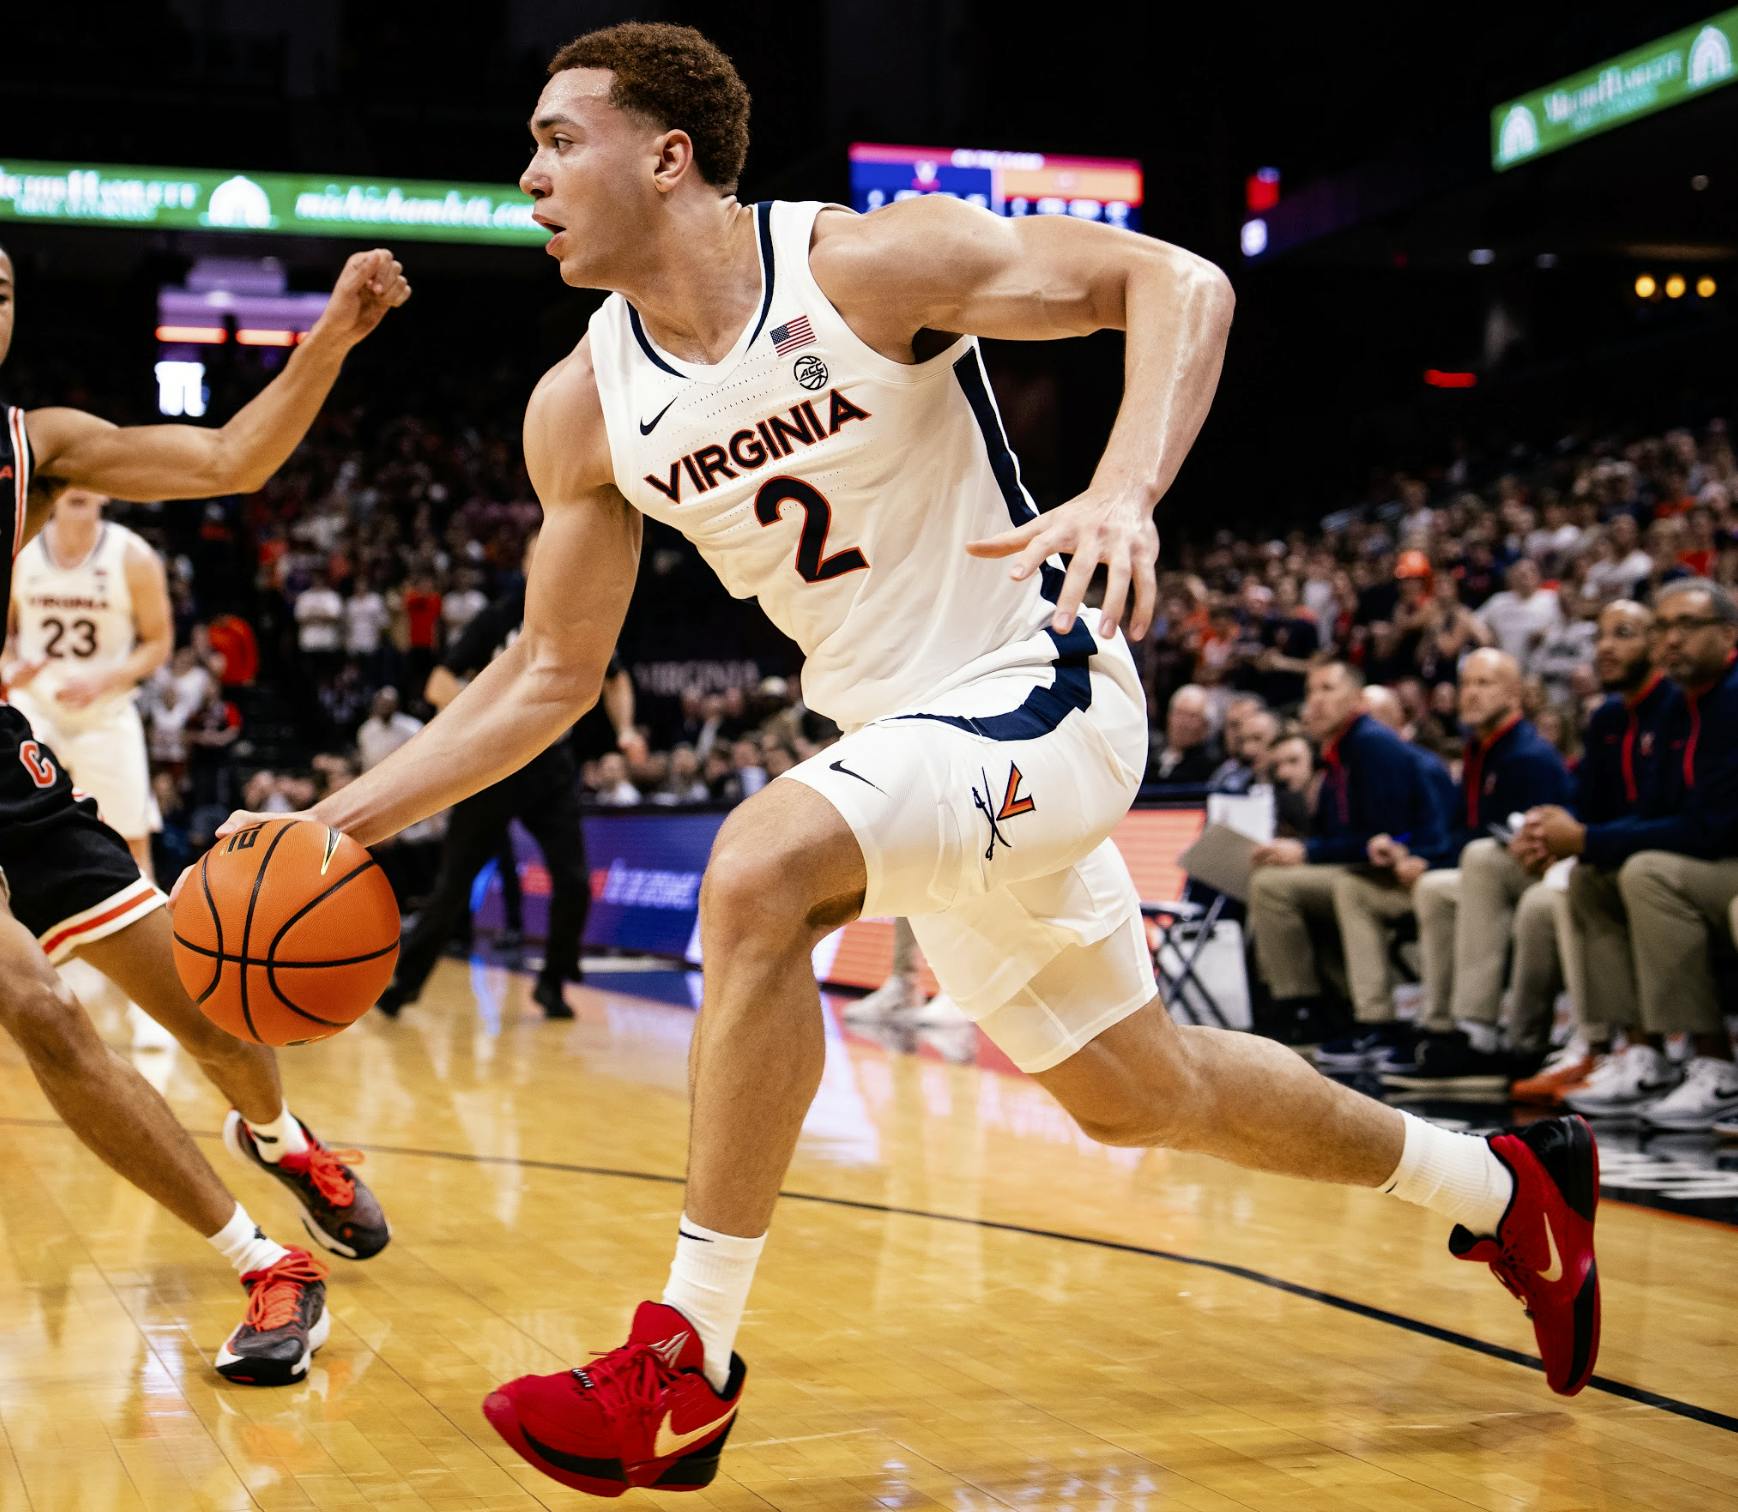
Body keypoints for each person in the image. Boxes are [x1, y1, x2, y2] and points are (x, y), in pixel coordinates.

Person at [204, 25, 1601, 1494]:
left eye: (561, 140)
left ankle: (687, 1364)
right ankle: (1503, 1185)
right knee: (1140, 1092)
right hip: (908, 755)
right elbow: (551, 674)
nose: (529, 174)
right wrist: (336, 823)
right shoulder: (581, 406)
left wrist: (1121, 493)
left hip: (1036, 688)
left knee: (756, 874)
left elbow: (1174, 281)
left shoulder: (866, 265)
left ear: (667, 157)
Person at [0, 243, 405, 1385]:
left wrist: (328, 333)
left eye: (3, 288)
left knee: (214, 1002)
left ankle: (283, 1142)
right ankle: (265, 1260)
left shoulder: (38, 445)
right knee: (41, 1007)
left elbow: (233, 457)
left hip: (3, 752)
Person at [1525, 579, 1738, 1129]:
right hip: (1711, 861)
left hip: (1725, 859)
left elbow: (1713, 827)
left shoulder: (1729, 701)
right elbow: (1649, 811)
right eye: (1664, 627)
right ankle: (1640, 1052)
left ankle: (1715, 1061)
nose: (1672, 640)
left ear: (1729, 634)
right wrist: (1566, 837)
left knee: (1644, 871)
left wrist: (1590, 837)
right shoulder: (1680, 708)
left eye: (1686, 626)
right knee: (1592, 875)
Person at [376, 532, 613, 1021]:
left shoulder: (582, 619)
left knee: (572, 882)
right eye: (541, 552)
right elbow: (438, 682)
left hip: (552, 769)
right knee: (452, 886)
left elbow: (618, 676)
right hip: (493, 769)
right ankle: (405, 983)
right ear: (528, 564)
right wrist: (483, 719)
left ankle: (553, 984)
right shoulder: (500, 618)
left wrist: (627, 730)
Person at [1372, 650, 1573, 1087]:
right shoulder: (1480, 749)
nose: (1472, 694)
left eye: (1486, 684)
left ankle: (1476, 1028)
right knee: (1434, 887)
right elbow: (1462, 832)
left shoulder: (1529, 757)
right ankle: (1440, 1023)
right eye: (1467, 684)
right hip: (1497, 871)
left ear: (1516, 693)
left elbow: (1536, 838)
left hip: (1545, 870)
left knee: (1480, 858)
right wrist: (1416, 856)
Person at [1510, 600, 1667, 1106]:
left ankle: (1620, 1045)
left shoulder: (1675, 708)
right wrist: (1544, 833)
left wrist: (1581, 840)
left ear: (1657, 644)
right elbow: (1583, 807)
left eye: (1623, 633)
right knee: (1572, 877)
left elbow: (1678, 816)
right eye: (1599, 635)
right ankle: (1601, 1046)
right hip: (1625, 852)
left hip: (1659, 855)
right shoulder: (1607, 719)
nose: (1605, 647)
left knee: (1590, 876)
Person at [5, 489, 170, 878]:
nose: (78, 487)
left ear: (107, 490)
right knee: (15, 839)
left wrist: (106, 677)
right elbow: (5, 639)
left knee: (130, 842)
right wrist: (10, 667)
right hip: (34, 711)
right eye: (69, 479)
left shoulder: (133, 557)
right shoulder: (20, 551)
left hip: (106, 712)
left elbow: (158, 643)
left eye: (88, 478)